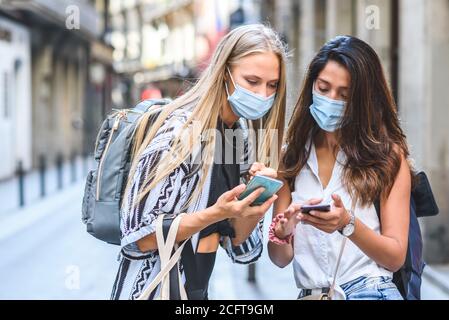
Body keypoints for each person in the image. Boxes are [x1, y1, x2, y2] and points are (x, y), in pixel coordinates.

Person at [110, 24, 288, 300]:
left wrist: (254, 204)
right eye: (252, 81)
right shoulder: (180, 131)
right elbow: (137, 239)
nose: (263, 95)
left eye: (272, 85)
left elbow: (239, 246)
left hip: (195, 292)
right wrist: (216, 212)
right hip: (150, 291)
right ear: (224, 73)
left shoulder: (235, 137)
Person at [263, 35, 412, 300]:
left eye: (344, 95)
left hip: (370, 291)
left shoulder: (387, 156)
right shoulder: (291, 157)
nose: (331, 100)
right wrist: (283, 233)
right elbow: (280, 259)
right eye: (323, 88)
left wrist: (347, 223)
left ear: (363, 100)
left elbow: (395, 257)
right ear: (312, 86)